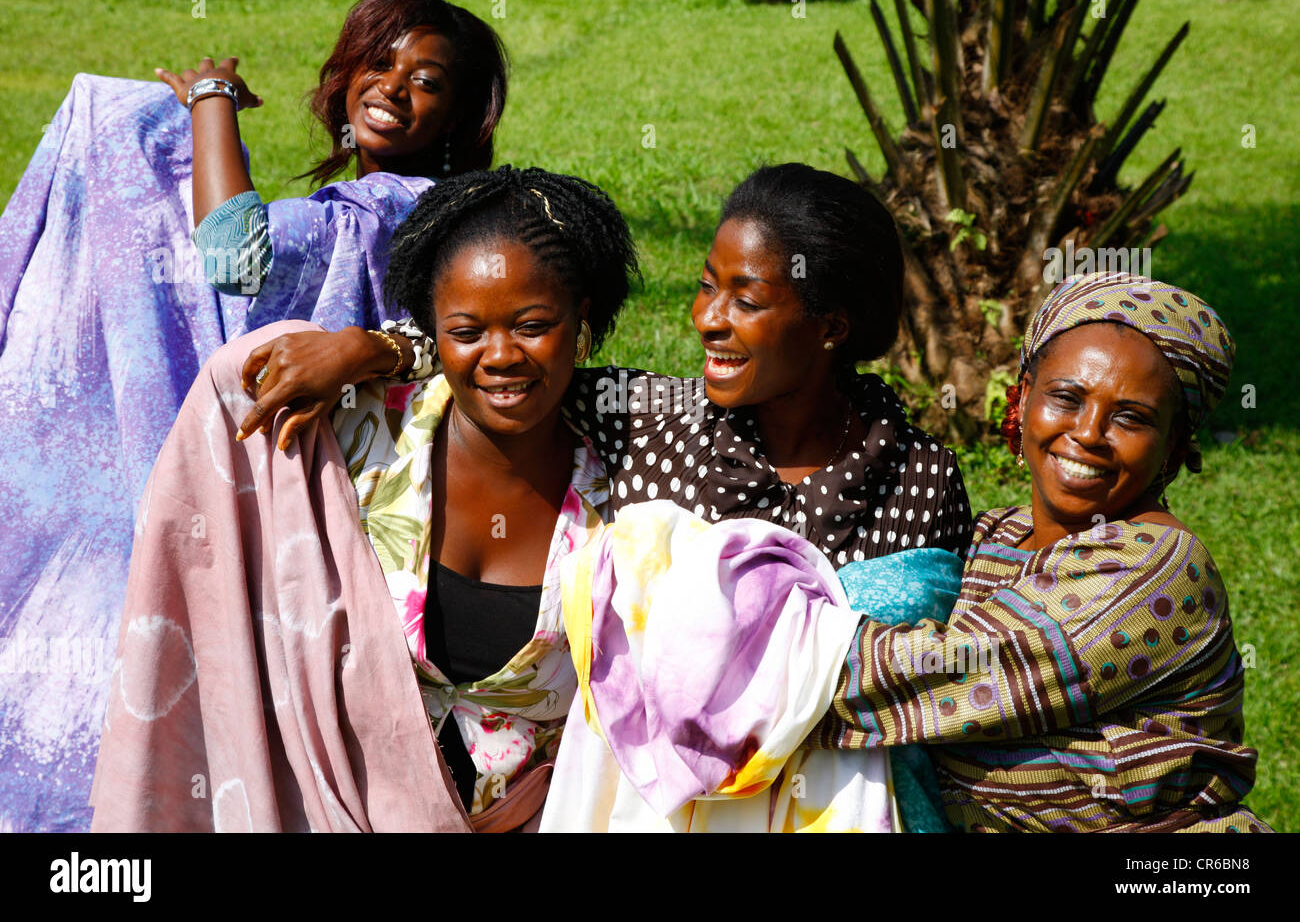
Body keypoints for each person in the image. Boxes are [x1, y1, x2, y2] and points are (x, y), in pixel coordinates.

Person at [239, 162, 975, 829]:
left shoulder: (919, 478)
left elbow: (927, 682)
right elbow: (514, 351)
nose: (707, 318)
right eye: (705, 284)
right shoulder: (657, 420)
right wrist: (373, 348)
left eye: (743, 299)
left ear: (832, 327)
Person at [0, 0, 506, 832]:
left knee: (118, 120)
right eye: (378, 64)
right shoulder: (395, 215)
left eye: (427, 81)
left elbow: (233, 256)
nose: (393, 86)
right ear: (343, 82)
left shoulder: (394, 211)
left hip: (332, 509)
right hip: (323, 499)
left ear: (458, 121)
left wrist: (208, 103)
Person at [90, 166, 637, 831]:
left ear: (581, 319)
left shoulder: (630, 474)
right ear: (432, 331)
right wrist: (372, 347)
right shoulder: (360, 435)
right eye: (466, 332)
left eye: (532, 325)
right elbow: (239, 381)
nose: (500, 355)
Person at [809, 271, 1271, 832]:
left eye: (1131, 417)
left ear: (1174, 446)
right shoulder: (993, 536)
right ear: (1025, 397)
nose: (1089, 433)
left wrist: (751, 654)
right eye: (1067, 397)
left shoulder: (1158, 566)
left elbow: (946, 674)